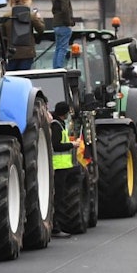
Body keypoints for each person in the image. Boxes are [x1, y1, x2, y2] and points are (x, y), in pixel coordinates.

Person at [0, 0, 46, 71]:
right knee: (25, 76)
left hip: (11, 53)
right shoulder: (31, 15)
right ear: (26, 0)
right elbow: (41, 29)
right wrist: (39, 18)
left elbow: (2, 35)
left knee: (11, 77)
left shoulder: (6, 16)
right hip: (27, 53)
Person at [50, 101, 78, 238]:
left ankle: (58, 226)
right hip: (58, 167)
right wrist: (72, 144)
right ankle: (56, 228)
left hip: (63, 167)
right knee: (58, 199)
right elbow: (56, 146)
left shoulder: (59, 124)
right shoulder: (56, 126)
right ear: (65, 113)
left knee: (60, 198)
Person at [51, 0, 75, 69]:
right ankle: (59, 67)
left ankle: (55, 67)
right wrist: (69, 22)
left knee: (58, 48)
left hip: (56, 24)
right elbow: (65, 10)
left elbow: (54, 10)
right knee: (63, 48)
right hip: (63, 25)